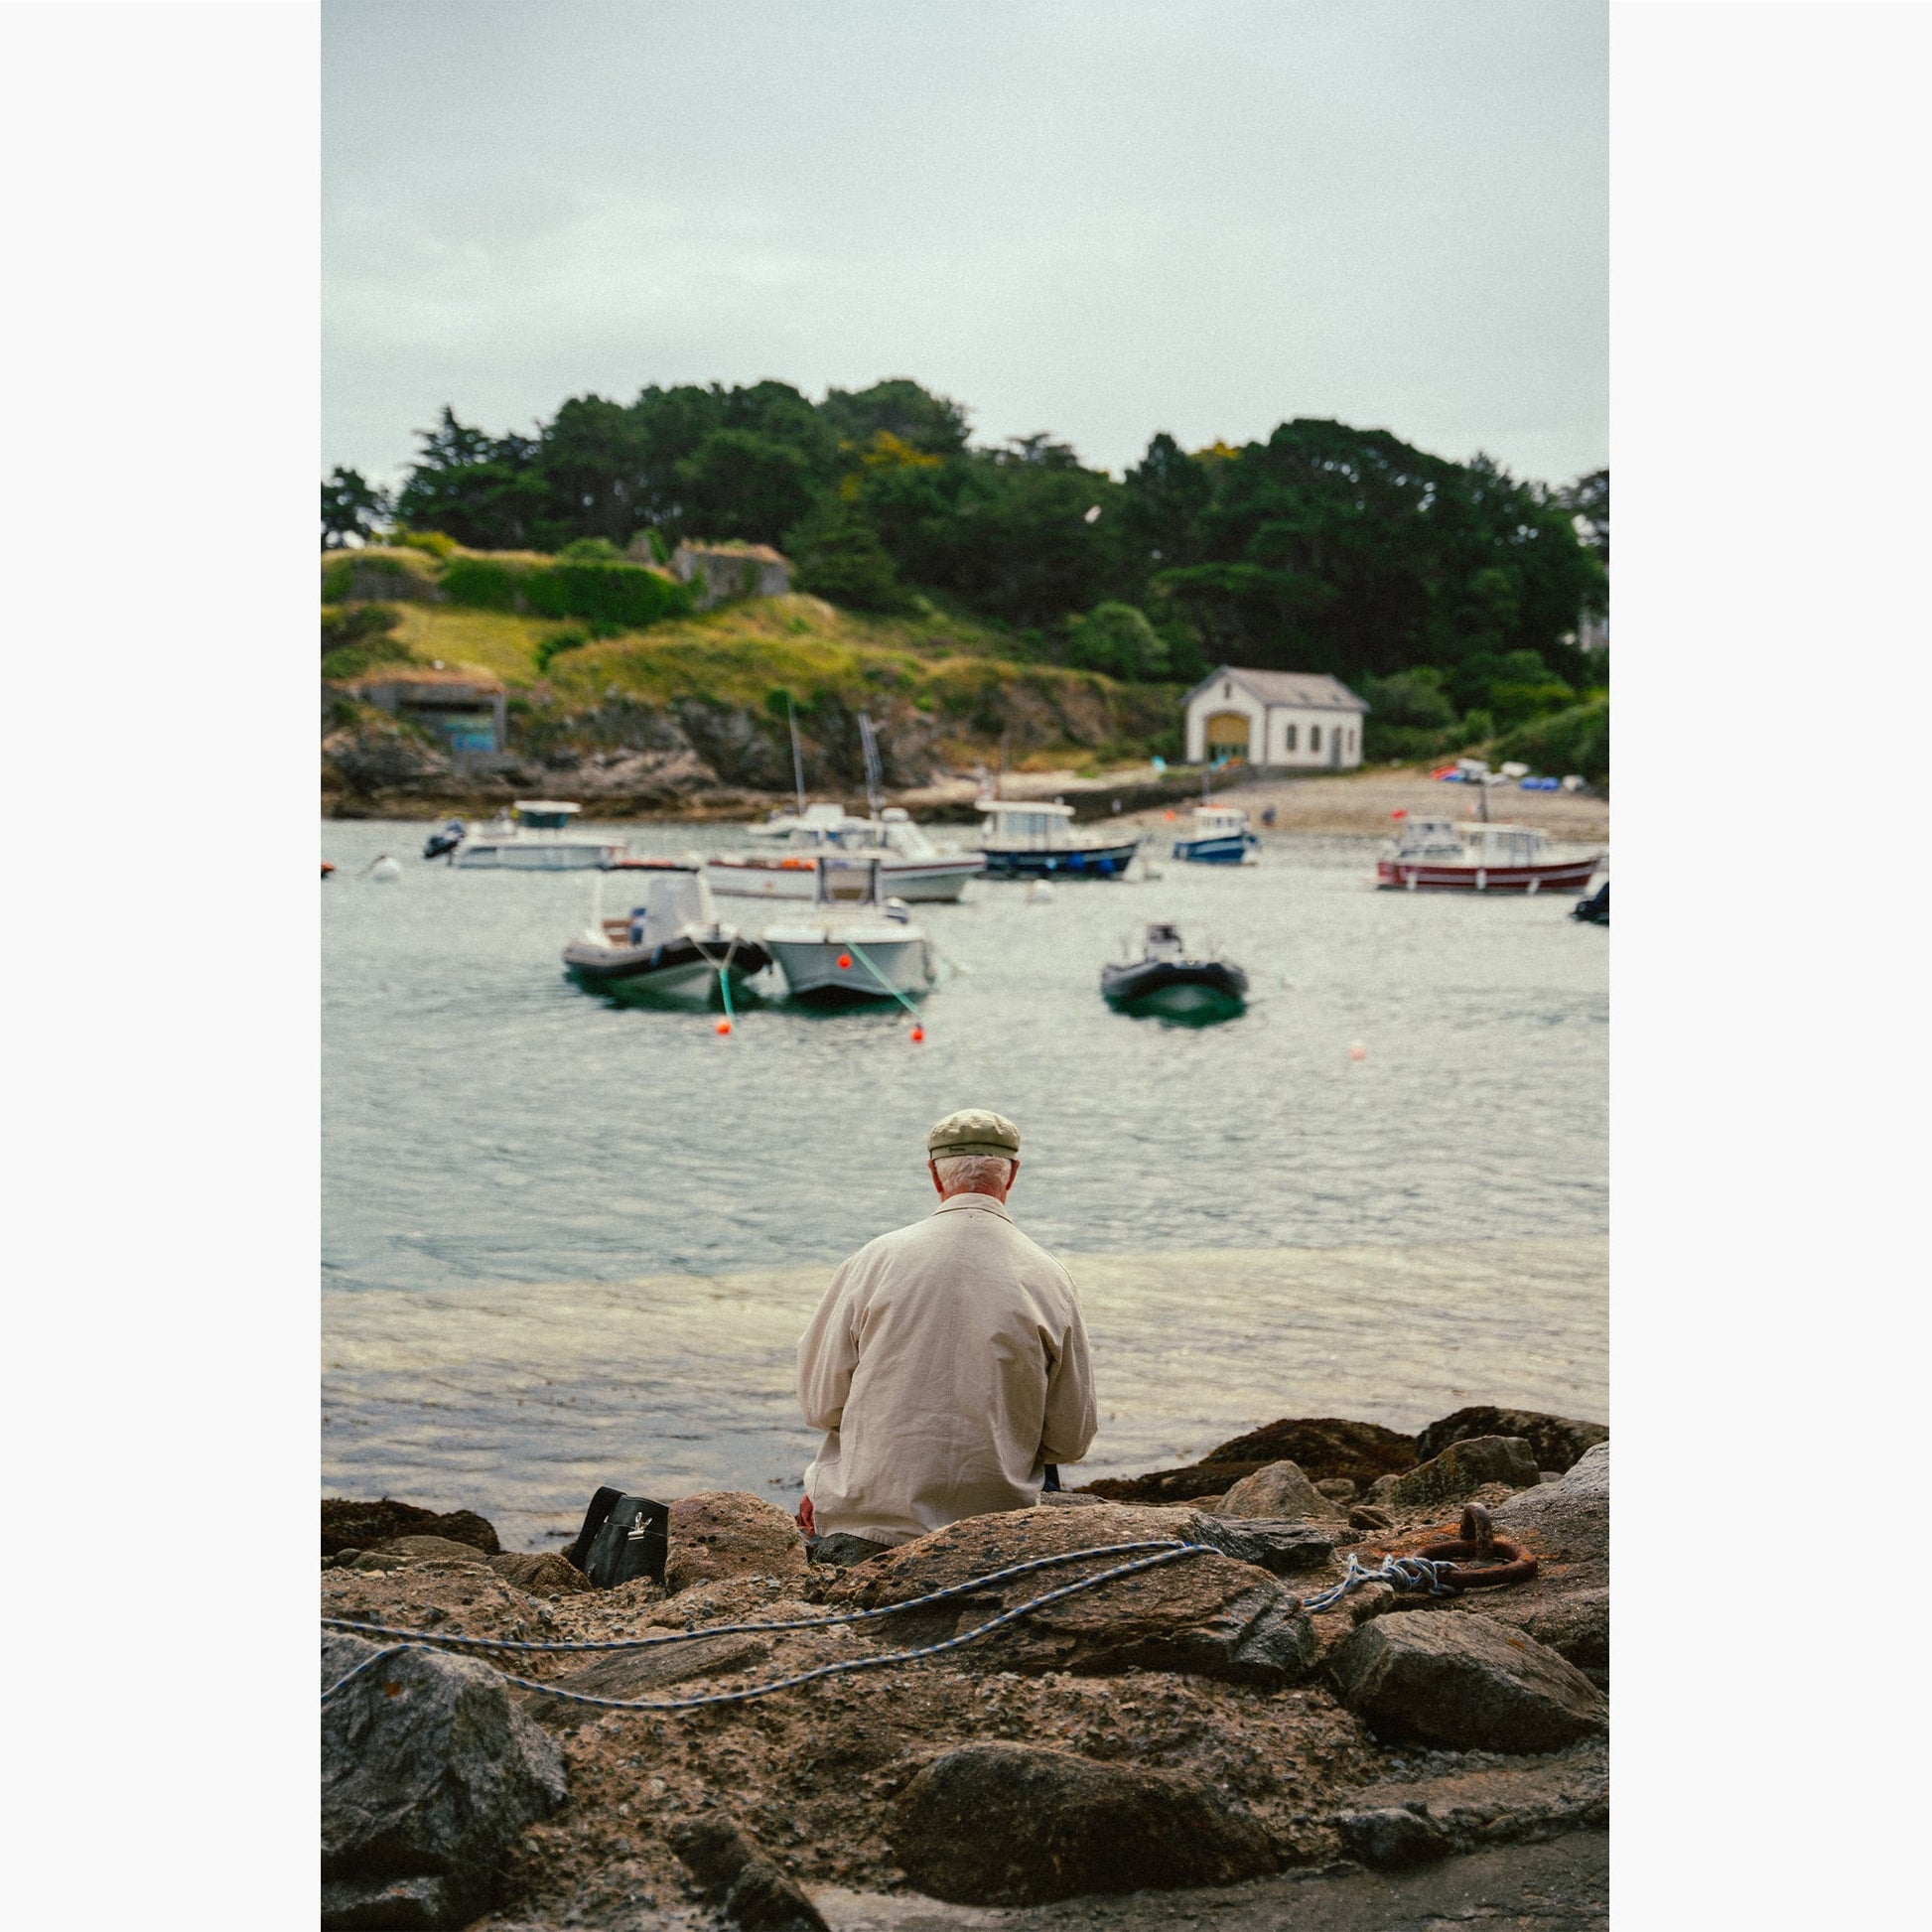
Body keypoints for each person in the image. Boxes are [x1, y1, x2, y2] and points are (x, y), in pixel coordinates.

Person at [794, 1109, 1096, 1555]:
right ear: (1011, 1176)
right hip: (995, 1524)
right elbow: (1071, 1438)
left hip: (870, 1525)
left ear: (935, 1177)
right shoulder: (1049, 1277)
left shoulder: (873, 1262)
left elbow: (820, 1405)